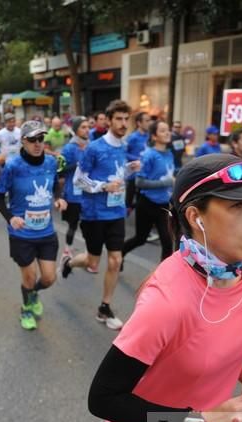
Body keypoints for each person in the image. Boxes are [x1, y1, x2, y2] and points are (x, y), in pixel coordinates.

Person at [88, 153, 242, 422]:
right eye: (238, 205)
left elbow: (207, 331)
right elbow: (103, 399)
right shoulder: (166, 302)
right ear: (197, 217)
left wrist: (226, 364)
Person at [61, 100, 141, 330]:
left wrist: (128, 169)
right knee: (91, 260)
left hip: (116, 212)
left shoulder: (124, 147)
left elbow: (117, 175)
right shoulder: (94, 148)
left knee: (116, 259)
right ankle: (69, 261)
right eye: (119, 119)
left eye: (126, 119)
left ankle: (105, 307)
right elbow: (78, 180)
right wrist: (102, 187)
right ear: (108, 120)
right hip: (94, 214)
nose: (123, 123)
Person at [0, 121, 67, 330]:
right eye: (32, 139)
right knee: (29, 275)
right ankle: (26, 307)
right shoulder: (13, 166)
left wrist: (59, 198)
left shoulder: (51, 163)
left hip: (46, 231)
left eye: (41, 139)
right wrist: (10, 218)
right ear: (23, 141)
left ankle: (33, 293)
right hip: (22, 232)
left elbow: (54, 186)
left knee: (49, 278)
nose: (37, 144)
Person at [122, 120, 176, 265]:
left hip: (164, 206)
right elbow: (139, 182)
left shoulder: (170, 154)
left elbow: (170, 175)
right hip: (147, 204)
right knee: (140, 239)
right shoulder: (148, 155)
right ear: (154, 136)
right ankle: (120, 254)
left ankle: (163, 277)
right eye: (163, 131)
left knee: (167, 242)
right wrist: (167, 182)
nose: (167, 133)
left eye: (168, 130)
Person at [59, 116, 89, 258]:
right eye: (83, 127)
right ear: (76, 130)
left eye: (88, 127)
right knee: (73, 224)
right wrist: (77, 165)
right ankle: (67, 250)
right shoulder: (69, 148)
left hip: (89, 192)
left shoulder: (91, 146)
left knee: (89, 224)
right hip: (73, 193)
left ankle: (89, 253)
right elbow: (60, 170)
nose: (87, 130)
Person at [125, 112, 150, 214]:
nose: (149, 123)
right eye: (147, 121)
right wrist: (137, 159)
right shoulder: (132, 137)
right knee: (129, 199)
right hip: (133, 174)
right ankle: (126, 211)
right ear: (139, 123)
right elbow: (124, 152)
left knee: (143, 199)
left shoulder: (150, 137)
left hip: (146, 174)